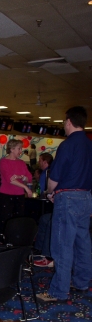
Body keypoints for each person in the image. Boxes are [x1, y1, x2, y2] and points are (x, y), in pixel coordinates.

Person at [37, 106, 92, 303]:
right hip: (86, 198)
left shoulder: (67, 145)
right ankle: (82, 282)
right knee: (82, 242)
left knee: (62, 245)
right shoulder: (89, 144)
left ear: (69, 121)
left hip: (67, 199)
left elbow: (55, 178)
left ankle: (59, 291)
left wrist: (51, 192)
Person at [0, 139, 33, 232]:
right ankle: (3, 240)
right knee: (5, 220)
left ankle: (16, 240)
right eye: (19, 149)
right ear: (12, 149)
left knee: (18, 219)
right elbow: (9, 179)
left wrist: (22, 177)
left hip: (19, 195)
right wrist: (25, 187)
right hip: (6, 195)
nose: (21, 151)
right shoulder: (4, 162)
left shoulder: (21, 163)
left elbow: (29, 177)